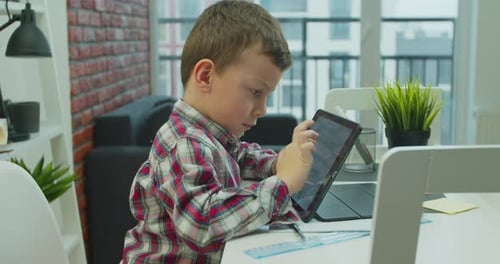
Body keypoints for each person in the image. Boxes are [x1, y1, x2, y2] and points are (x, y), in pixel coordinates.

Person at [121, 1, 319, 263]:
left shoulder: (212, 136)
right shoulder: (185, 142)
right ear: (205, 76)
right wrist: (282, 185)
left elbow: (239, 158)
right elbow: (202, 224)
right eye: (256, 92)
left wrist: (278, 164)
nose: (262, 109)